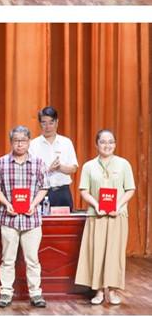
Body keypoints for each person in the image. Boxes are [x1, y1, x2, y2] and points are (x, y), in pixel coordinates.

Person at [0, 126, 49, 308]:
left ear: (29, 142)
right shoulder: (1, 163)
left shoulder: (38, 163)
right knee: (7, 259)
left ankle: (36, 293)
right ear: (11, 142)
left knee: (32, 260)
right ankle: (6, 293)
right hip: (9, 219)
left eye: (23, 140)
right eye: (16, 140)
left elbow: (44, 187)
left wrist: (34, 204)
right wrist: (6, 203)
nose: (20, 144)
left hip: (31, 219)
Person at [75, 129, 136, 305]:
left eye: (110, 142)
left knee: (114, 253)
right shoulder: (88, 166)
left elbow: (130, 189)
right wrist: (96, 205)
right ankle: (99, 291)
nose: (107, 145)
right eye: (103, 142)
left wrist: (118, 205)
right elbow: (84, 190)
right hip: (96, 215)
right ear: (97, 144)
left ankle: (113, 291)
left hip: (118, 215)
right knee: (96, 252)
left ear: (115, 144)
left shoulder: (123, 164)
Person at [28, 107, 78, 209]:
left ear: (57, 122)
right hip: (41, 193)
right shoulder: (33, 144)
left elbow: (74, 168)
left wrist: (60, 167)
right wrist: (49, 169)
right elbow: (30, 172)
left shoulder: (66, 142)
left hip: (62, 192)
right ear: (40, 124)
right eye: (44, 123)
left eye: (51, 123)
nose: (48, 127)